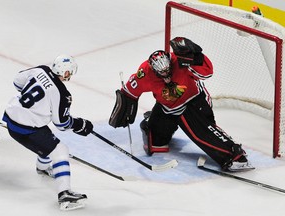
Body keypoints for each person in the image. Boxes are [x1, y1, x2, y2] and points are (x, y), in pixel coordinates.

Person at [109, 37, 254, 172]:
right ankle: (155, 122)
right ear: (152, 69)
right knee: (154, 142)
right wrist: (126, 104)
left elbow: (207, 73)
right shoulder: (145, 74)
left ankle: (234, 155)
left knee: (202, 134)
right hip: (167, 108)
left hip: (193, 103)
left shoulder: (180, 61)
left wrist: (197, 57)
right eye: (162, 73)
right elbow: (129, 90)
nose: (166, 75)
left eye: (168, 71)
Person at [2, 54, 93, 211]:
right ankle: (65, 195)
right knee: (60, 150)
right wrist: (79, 124)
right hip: (26, 128)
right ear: (65, 73)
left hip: (11, 119)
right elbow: (62, 123)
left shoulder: (40, 70)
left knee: (47, 140)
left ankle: (43, 168)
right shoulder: (62, 94)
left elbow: (17, 82)